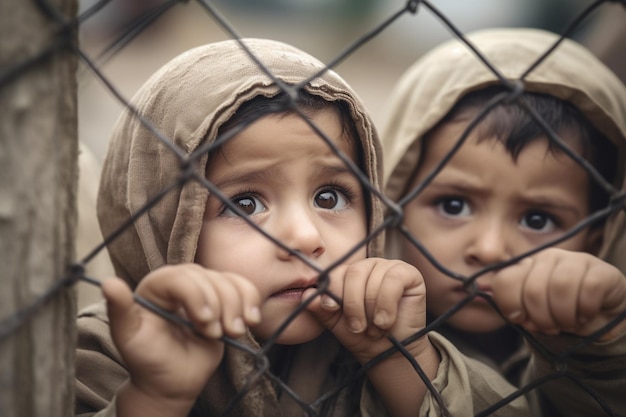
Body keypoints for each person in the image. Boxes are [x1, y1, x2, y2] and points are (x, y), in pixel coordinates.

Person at [75, 38, 530, 417]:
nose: (306, 238)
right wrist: (154, 397)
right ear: (161, 222)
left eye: (329, 197)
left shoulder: (378, 339)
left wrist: (398, 361)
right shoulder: (101, 352)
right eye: (245, 203)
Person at [381, 27, 626, 416]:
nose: (491, 249)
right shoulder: (336, 344)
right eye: (454, 205)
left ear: (598, 239)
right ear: (392, 203)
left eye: (537, 219)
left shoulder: (610, 354)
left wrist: (602, 348)